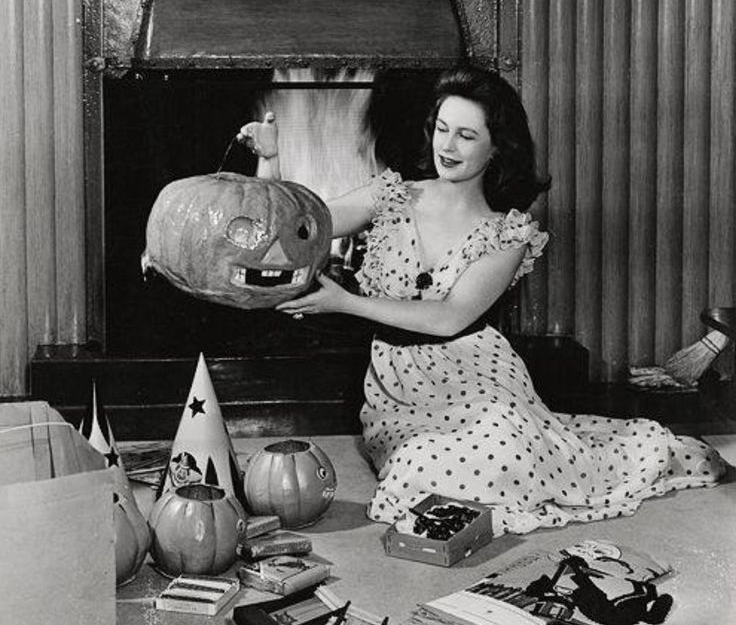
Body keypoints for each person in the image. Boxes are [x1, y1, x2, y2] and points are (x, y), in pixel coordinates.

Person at [240, 66, 726, 534]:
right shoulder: (390, 194)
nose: (446, 147)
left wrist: (346, 303)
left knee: (505, 443)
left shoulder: (509, 233)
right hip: (400, 390)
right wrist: (271, 160)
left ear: (496, 148)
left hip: (480, 378)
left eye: (466, 136)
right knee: (418, 467)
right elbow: (303, 227)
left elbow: (449, 318)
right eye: (443, 129)